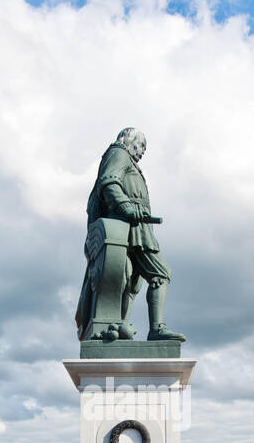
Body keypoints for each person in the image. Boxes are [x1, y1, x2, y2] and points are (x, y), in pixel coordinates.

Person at [78, 127, 184, 342]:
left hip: (135, 227)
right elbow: (109, 182)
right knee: (160, 274)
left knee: (131, 281)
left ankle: (120, 326)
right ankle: (156, 328)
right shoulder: (119, 153)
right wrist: (126, 206)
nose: (143, 151)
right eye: (141, 145)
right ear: (130, 140)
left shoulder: (127, 159)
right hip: (129, 226)